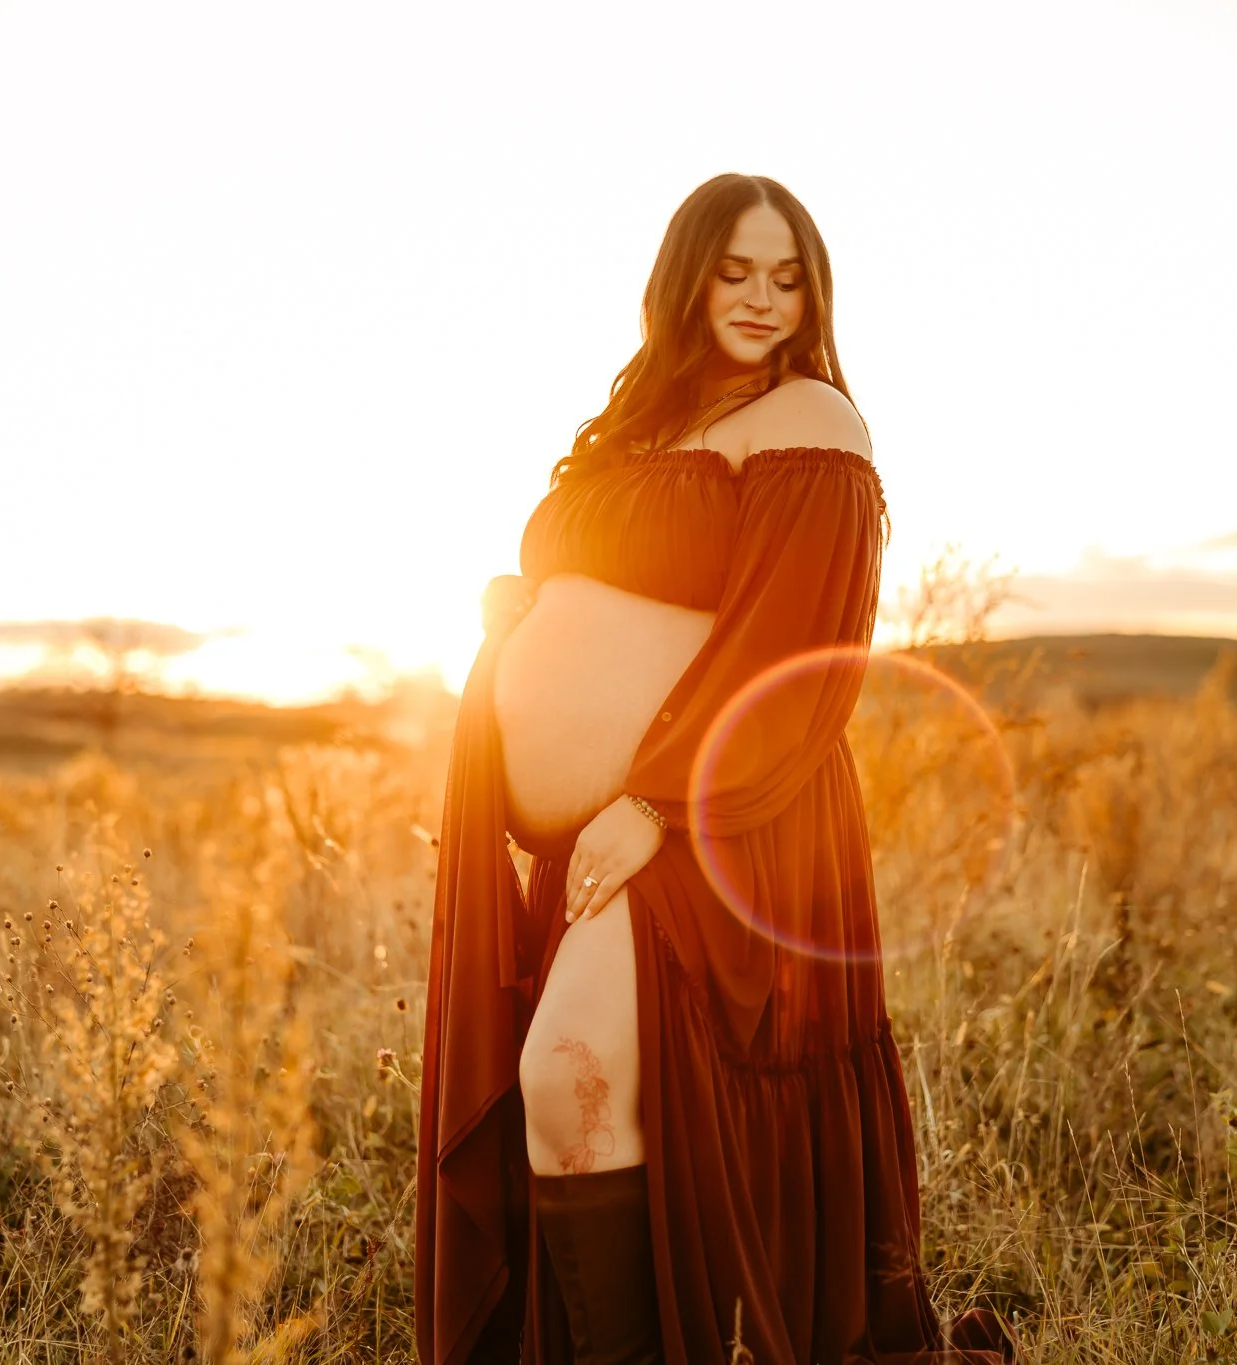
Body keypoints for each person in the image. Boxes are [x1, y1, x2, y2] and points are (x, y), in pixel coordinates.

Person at [417, 173, 1011, 1364]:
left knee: (569, 1072)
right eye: (735, 270)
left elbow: (800, 643)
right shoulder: (635, 429)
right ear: (685, 275)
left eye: (787, 277)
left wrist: (659, 801)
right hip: (604, 831)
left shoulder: (812, 423)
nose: (762, 299)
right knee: (586, 1106)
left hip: (724, 818)